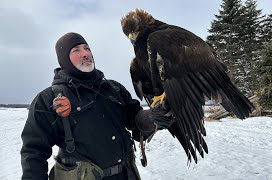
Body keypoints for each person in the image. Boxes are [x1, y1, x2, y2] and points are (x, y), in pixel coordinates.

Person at [20, 32, 173, 180]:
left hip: (126, 175)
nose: (85, 53)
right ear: (63, 59)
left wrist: (153, 117)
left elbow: (135, 118)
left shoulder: (114, 89)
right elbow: (33, 151)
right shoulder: (48, 99)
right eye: (76, 50)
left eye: (87, 48)